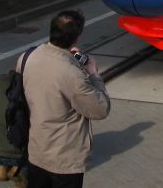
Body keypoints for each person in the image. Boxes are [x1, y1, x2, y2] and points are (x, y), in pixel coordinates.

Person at [20, 10, 111, 188]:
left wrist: (70, 58)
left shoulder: (27, 57)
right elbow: (100, 109)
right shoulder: (72, 74)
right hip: (64, 159)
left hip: (37, 151)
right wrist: (93, 74)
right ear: (76, 38)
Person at [0, 73, 27, 187]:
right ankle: (20, 177)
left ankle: (3, 170)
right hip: (16, 155)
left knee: (5, 132)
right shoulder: (27, 92)